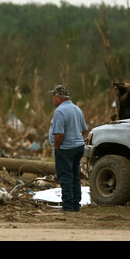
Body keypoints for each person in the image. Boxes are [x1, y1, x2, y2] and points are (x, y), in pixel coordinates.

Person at [48, 84, 88, 212]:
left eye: (53, 97)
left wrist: (57, 147)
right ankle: (76, 204)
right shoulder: (77, 109)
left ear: (58, 98)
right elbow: (84, 130)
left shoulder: (60, 111)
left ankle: (68, 206)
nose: (53, 100)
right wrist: (75, 139)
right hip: (78, 147)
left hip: (65, 149)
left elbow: (59, 134)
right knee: (75, 176)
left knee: (65, 177)